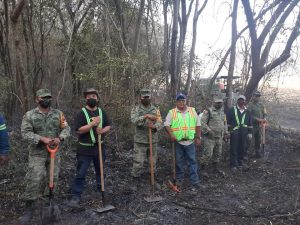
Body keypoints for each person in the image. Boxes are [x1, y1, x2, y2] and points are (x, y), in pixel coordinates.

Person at [20, 89, 70, 224]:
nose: (46, 100)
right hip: (37, 153)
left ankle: (49, 203)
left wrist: (61, 137)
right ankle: (29, 207)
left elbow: (67, 128)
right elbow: (25, 133)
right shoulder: (29, 115)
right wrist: (41, 138)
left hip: (54, 152)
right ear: (37, 99)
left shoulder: (58, 114)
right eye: (43, 98)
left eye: (48, 97)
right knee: (34, 179)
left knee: (52, 178)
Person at [69, 88, 111, 207]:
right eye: (88, 96)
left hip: (99, 148)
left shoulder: (102, 112)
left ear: (97, 98)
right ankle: (76, 196)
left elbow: (108, 126)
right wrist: (93, 124)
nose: (91, 98)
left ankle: (101, 191)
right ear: (85, 98)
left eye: (93, 96)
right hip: (85, 149)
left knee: (100, 171)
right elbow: (79, 130)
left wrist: (102, 130)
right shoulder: (81, 113)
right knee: (81, 173)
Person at [165, 93, 201, 191]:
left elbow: (198, 125)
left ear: (186, 101)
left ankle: (194, 181)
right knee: (179, 162)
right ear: (176, 102)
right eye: (179, 101)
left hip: (190, 142)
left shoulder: (192, 111)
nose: (181, 102)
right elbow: (167, 125)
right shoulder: (172, 112)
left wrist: (198, 137)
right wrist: (171, 135)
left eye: (183, 100)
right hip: (178, 142)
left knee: (192, 161)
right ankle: (179, 180)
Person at [130, 88, 162, 181]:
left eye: (148, 96)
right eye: (144, 97)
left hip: (153, 139)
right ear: (140, 98)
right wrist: (145, 116)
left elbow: (160, 121)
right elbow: (134, 120)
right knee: (138, 161)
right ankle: (135, 177)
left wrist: (154, 126)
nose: (146, 98)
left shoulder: (156, 109)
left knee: (153, 161)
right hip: (140, 140)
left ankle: (152, 174)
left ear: (150, 97)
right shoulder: (135, 109)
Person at [200, 97, 228, 177]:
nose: (219, 104)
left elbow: (225, 123)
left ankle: (215, 168)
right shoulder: (208, 111)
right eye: (218, 102)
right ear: (214, 103)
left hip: (219, 137)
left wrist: (226, 132)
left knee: (218, 153)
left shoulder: (223, 113)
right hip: (209, 138)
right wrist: (208, 130)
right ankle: (203, 169)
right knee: (208, 154)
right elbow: (202, 123)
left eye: (221, 102)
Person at [227, 95, 252, 171]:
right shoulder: (232, 110)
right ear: (237, 101)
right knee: (234, 148)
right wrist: (228, 132)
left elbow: (250, 123)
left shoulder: (247, 111)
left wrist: (250, 133)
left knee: (242, 148)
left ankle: (240, 163)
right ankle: (233, 165)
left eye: (242, 100)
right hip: (234, 132)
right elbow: (228, 122)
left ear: (245, 101)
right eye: (240, 100)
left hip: (244, 133)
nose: (241, 101)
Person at [247, 91, 267, 158]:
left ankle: (257, 153)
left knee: (258, 140)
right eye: (256, 96)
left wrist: (264, 118)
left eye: (258, 96)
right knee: (249, 140)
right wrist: (258, 119)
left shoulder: (261, 105)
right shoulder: (250, 105)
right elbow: (249, 115)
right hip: (252, 126)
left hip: (259, 126)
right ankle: (246, 153)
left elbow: (265, 113)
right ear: (253, 97)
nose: (257, 98)